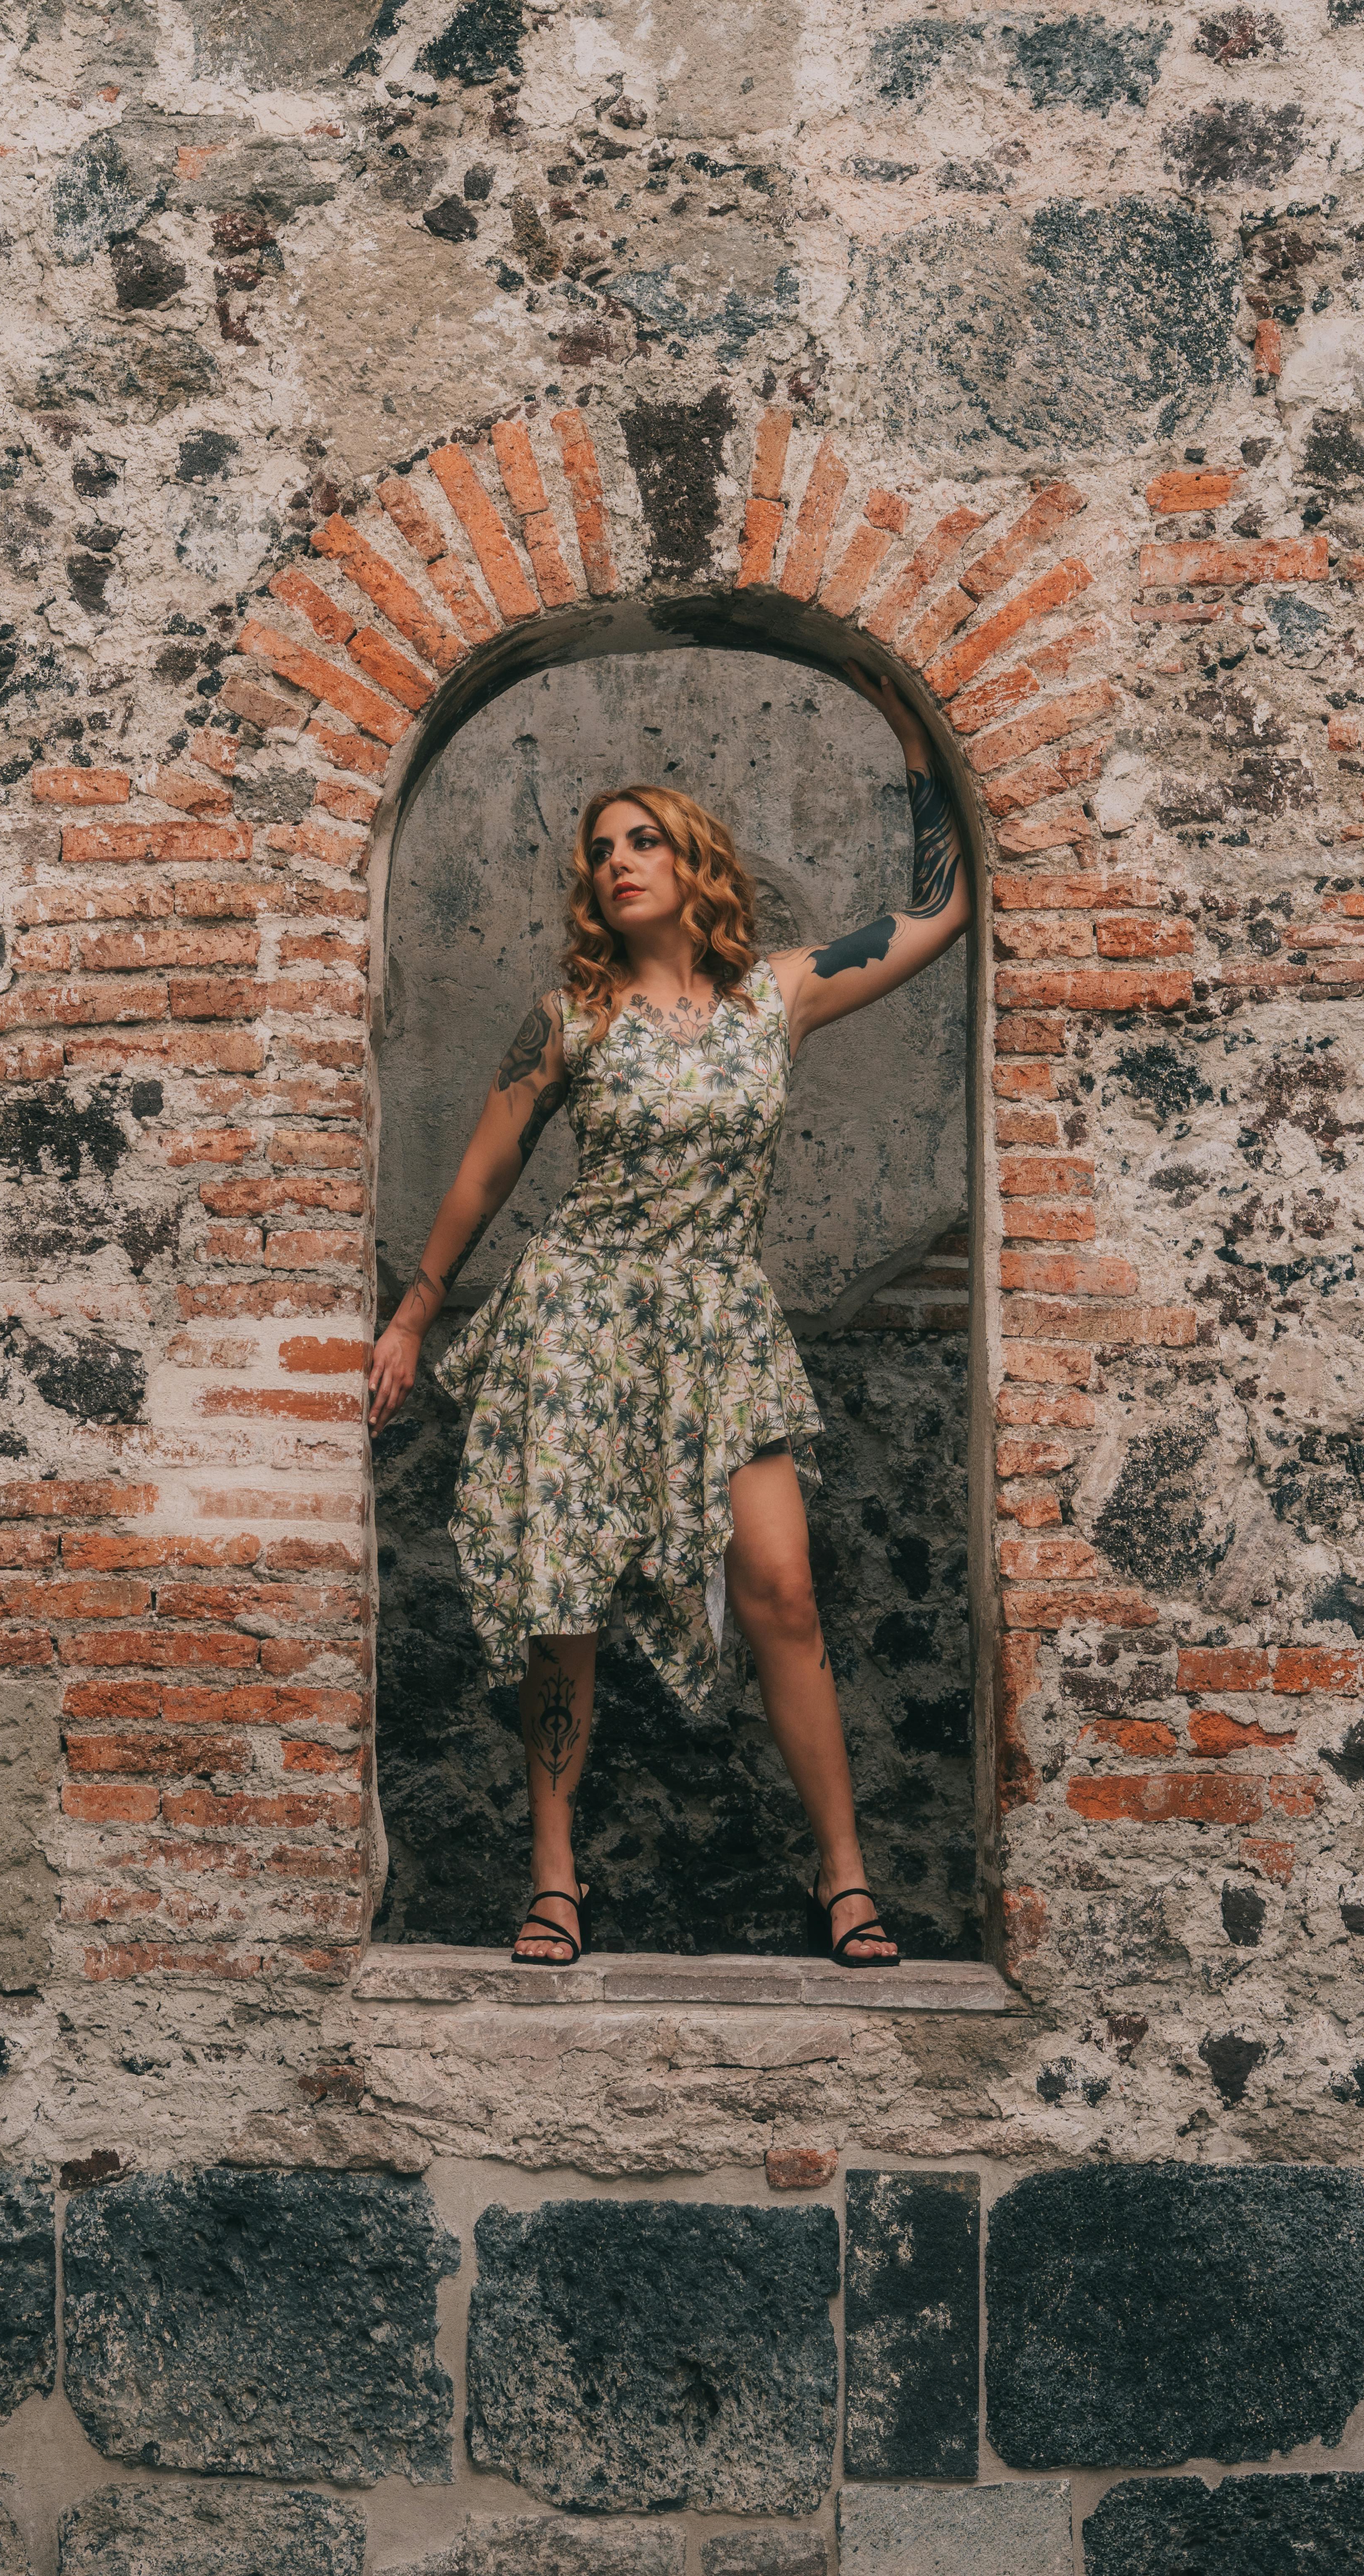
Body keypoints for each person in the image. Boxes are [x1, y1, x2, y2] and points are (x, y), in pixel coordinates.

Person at [367, 663, 972, 1967]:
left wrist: (917, 727)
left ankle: (847, 1881)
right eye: (600, 852)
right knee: (564, 1602)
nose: (619, 862)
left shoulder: (783, 994)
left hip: (720, 1324)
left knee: (783, 1592)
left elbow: (940, 911)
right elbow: (486, 1170)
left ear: (699, 869)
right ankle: (553, 1880)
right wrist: (417, 1310)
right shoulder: (571, 1016)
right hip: (583, 1317)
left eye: (645, 841)